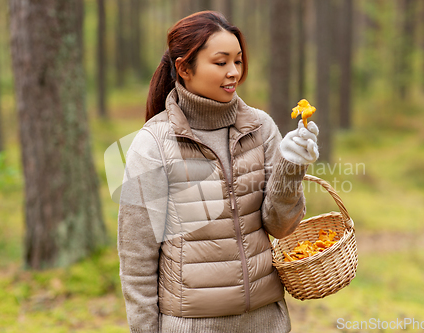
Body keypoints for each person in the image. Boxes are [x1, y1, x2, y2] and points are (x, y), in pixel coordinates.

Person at [117, 11, 319, 333]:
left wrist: (291, 168)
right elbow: (136, 258)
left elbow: (281, 227)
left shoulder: (261, 128)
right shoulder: (152, 144)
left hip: (266, 321)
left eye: (238, 61)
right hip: (192, 325)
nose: (234, 73)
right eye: (221, 62)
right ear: (184, 68)